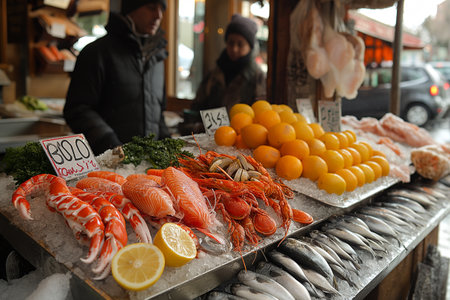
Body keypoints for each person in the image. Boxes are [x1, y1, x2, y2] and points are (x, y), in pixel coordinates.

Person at [63, 0, 170, 155]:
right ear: (131, 9)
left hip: (149, 165)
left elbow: (158, 112)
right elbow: (78, 109)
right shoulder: (96, 53)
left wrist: (168, 144)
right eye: (151, 8)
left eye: (162, 9)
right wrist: (109, 143)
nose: (158, 16)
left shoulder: (157, 57)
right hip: (108, 166)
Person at [180, 14, 266, 135]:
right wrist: (197, 127)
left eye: (240, 44)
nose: (234, 48)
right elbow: (197, 106)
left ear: (250, 47)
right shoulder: (214, 73)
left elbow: (261, 116)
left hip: (241, 141)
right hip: (207, 138)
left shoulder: (258, 77)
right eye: (231, 43)